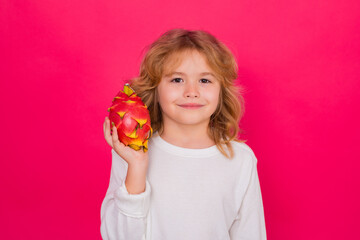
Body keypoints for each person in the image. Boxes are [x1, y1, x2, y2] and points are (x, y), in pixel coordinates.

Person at [101, 28, 267, 240]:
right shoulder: (132, 152)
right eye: (177, 80)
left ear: (221, 92)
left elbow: (251, 233)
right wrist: (137, 167)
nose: (192, 91)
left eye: (205, 81)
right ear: (156, 90)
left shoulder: (240, 159)